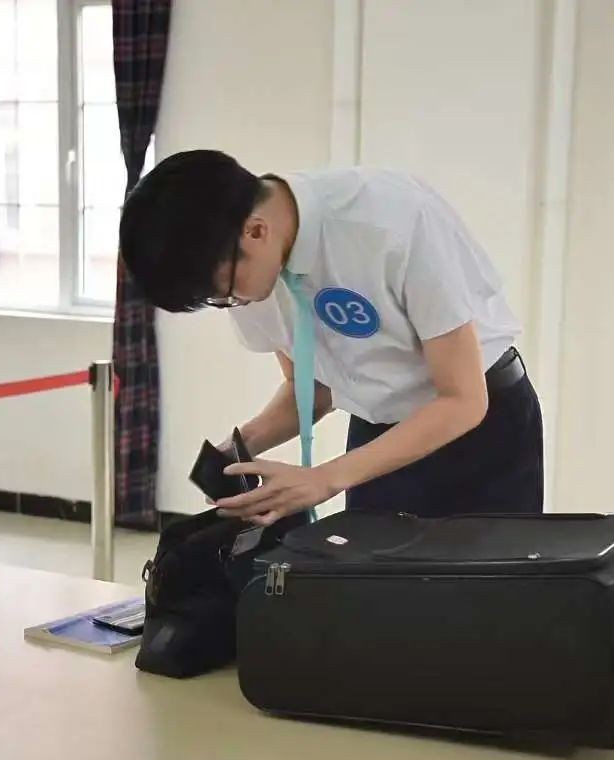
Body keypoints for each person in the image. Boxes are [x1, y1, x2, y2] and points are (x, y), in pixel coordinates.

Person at [119, 149, 543, 526]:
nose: (233, 302)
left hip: (481, 433)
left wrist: (325, 478)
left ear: (255, 231)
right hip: (380, 434)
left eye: (225, 292)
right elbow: (311, 390)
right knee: (366, 587)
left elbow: (463, 401)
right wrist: (238, 450)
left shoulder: (390, 220)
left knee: (480, 590)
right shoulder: (249, 269)